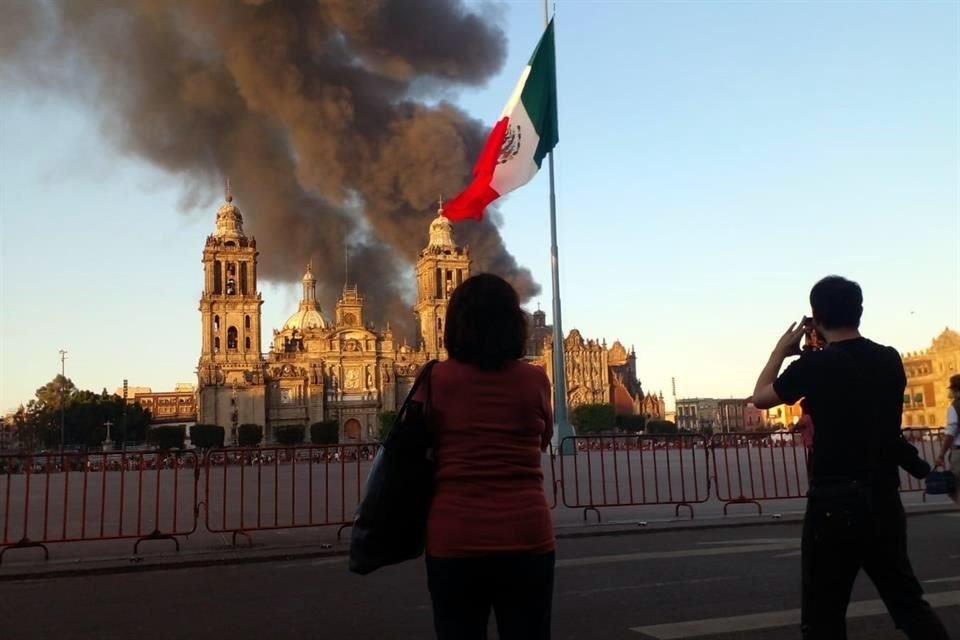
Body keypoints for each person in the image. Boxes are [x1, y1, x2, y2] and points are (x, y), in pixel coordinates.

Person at [750, 275, 949, 640]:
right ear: (859, 311)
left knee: (823, 615)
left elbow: (760, 397)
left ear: (815, 317)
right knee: (908, 603)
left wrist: (781, 349)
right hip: (883, 498)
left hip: (833, 501)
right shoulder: (890, 359)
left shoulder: (814, 365)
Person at [417, 273, 554, 640]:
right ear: (515, 324)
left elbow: (417, 447)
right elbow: (543, 440)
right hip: (527, 534)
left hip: (454, 536)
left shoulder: (433, 379)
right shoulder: (536, 380)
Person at [933, 374, 960, 504]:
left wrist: (941, 455)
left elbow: (951, 433)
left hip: (959, 453)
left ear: (956, 390)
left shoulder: (955, 407)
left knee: (954, 489)